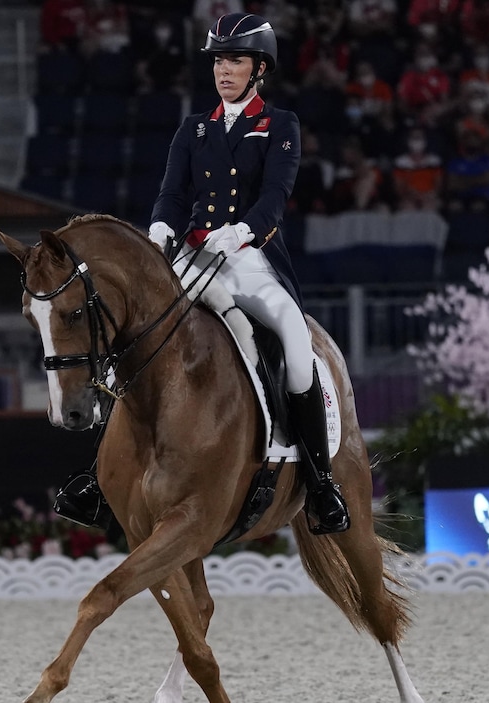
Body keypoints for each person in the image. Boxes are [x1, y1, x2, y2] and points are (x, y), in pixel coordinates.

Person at [52, 12, 350, 536]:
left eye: (234, 61)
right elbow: (172, 192)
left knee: (294, 338)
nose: (224, 71)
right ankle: (100, 478)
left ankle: (321, 481)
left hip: (249, 260)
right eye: (218, 62)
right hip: (192, 257)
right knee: (134, 338)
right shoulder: (194, 128)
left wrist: (240, 232)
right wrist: (160, 230)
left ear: (259, 69)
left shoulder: (280, 125)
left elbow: (275, 196)